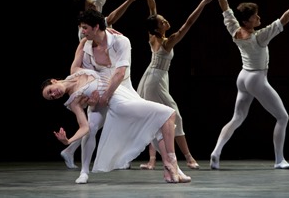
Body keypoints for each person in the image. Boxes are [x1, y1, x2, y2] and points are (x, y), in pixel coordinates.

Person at [205, 0, 289, 170]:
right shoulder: (259, 37)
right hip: (256, 79)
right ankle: (279, 160)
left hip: (243, 77)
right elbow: (285, 18)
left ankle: (216, 151)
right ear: (247, 21)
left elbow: (226, 9)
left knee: (237, 117)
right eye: (255, 16)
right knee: (283, 117)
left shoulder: (235, 30)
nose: (259, 18)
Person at [41, 68, 192, 184]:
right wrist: (68, 141)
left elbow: (85, 41)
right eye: (51, 98)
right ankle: (84, 171)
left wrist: (104, 27)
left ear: (54, 81)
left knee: (159, 123)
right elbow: (84, 127)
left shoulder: (76, 71)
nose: (54, 95)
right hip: (112, 103)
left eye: (50, 92)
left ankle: (172, 170)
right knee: (166, 114)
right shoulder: (73, 101)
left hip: (120, 90)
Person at [62, 0, 138, 169]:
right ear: (83, 13)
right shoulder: (86, 29)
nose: (94, 4)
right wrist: (130, 1)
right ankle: (110, 158)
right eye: (90, 4)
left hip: (105, 71)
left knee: (99, 121)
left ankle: (72, 151)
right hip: (94, 74)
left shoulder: (94, 18)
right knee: (95, 122)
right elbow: (110, 16)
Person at [137, 0, 213, 170]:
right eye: (162, 21)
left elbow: (153, 11)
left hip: (156, 77)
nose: (165, 21)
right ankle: (188, 157)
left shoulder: (154, 37)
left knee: (155, 118)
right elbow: (189, 23)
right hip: (155, 80)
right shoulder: (166, 41)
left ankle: (154, 160)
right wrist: (204, 2)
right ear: (157, 28)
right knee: (174, 116)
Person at [65, 5, 142, 184]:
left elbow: (121, 73)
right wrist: (94, 87)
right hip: (99, 89)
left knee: (149, 118)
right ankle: (84, 171)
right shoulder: (85, 44)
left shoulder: (119, 40)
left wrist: (107, 93)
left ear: (97, 27)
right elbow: (75, 69)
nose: (82, 31)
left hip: (122, 87)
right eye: (81, 28)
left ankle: (172, 165)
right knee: (90, 128)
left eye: (85, 28)